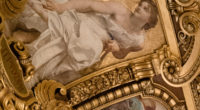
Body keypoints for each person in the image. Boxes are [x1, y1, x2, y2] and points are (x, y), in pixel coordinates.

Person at [14, 0, 158, 85]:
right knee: (79, 40)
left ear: (149, 20)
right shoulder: (120, 10)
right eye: (140, 4)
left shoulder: (139, 42)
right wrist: (61, 8)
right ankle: (29, 33)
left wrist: (116, 48)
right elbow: (90, 4)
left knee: (87, 50)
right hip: (89, 24)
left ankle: (30, 39)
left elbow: (121, 55)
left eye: (145, 8)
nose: (139, 7)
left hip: (95, 44)